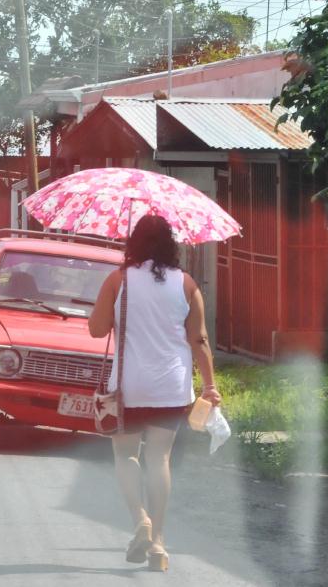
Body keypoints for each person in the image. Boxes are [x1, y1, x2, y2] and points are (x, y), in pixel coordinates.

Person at [88, 214, 220, 574]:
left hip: (128, 387)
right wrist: (210, 385)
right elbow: (200, 340)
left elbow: (96, 331)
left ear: (133, 243)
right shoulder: (188, 284)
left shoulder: (118, 280)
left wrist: (112, 311)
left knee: (126, 456)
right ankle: (159, 544)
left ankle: (140, 520)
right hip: (170, 387)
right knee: (159, 459)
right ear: (170, 246)